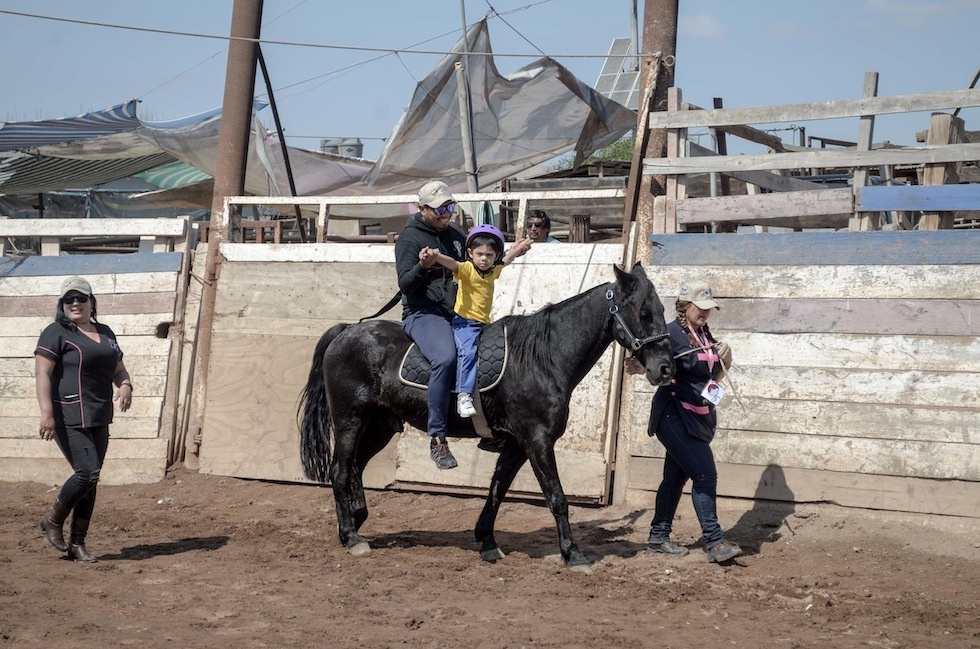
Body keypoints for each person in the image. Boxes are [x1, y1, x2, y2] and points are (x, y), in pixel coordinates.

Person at [625, 279, 742, 563]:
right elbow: (646, 367)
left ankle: (658, 536)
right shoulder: (668, 335)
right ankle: (714, 542)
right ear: (685, 306)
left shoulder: (703, 333)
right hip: (673, 414)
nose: (705, 313)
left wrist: (725, 363)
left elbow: (710, 383)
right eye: (700, 308)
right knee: (704, 474)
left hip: (695, 416)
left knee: (675, 478)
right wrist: (638, 367)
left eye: (708, 309)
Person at [35, 276, 133, 562]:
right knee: (86, 472)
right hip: (67, 414)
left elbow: (119, 370)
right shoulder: (56, 332)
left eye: (81, 298)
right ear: (62, 305)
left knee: (92, 480)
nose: (75, 303)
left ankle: (77, 544)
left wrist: (126, 385)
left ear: (92, 302)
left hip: (99, 414)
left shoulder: (105, 333)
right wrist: (46, 413)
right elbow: (42, 373)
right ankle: (53, 520)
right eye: (69, 300)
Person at [421, 224, 531, 419]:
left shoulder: (493, 270)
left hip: (485, 324)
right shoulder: (467, 269)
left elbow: (506, 260)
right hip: (465, 323)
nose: (484, 259)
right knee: (467, 352)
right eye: (479, 254)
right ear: (470, 253)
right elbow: (453, 263)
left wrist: (517, 249)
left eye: (489, 255)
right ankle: (463, 395)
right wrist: (436, 257)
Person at [395, 180, 468, 470]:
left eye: (449, 206)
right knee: (445, 357)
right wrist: (422, 267)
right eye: (439, 209)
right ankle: (437, 437)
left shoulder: (455, 234)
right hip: (424, 313)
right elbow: (405, 285)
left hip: (458, 312)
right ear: (422, 208)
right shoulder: (409, 239)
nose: (446, 213)